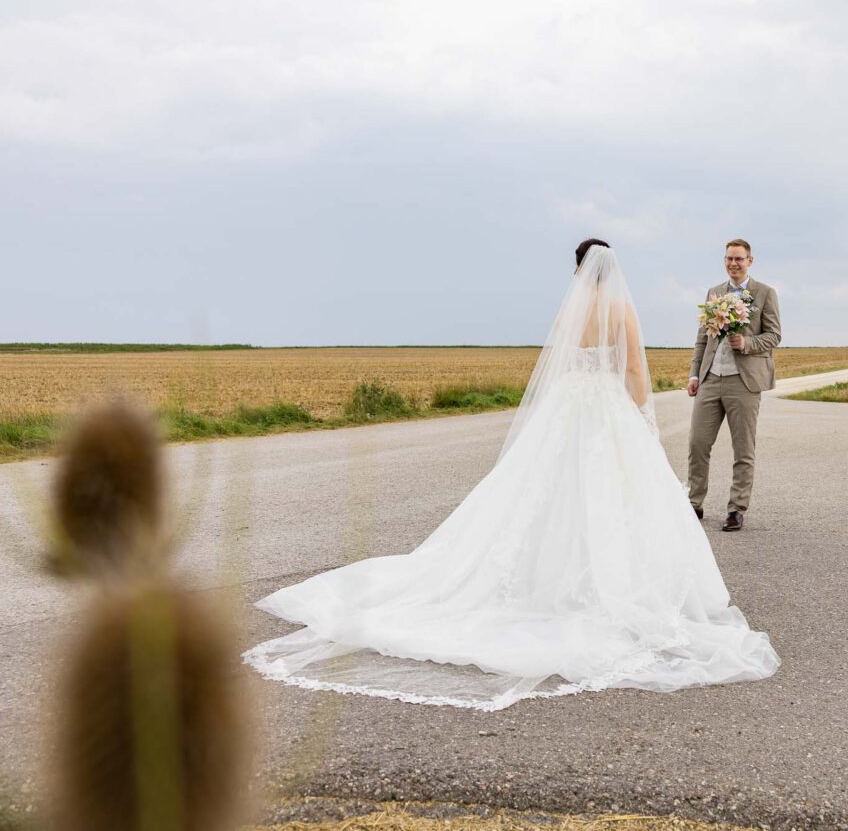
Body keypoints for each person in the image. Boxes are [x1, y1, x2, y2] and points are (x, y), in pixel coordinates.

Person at [243, 240, 779, 711]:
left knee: (543, 492)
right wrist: (638, 413)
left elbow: (558, 366)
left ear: (577, 272)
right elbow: (635, 369)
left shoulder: (572, 311)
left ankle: (532, 581)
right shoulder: (621, 309)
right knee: (613, 498)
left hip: (569, 406)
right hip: (606, 409)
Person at [687, 239, 783, 532]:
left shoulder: (765, 293)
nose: (733, 264)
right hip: (710, 379)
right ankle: (694, 502)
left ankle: (736, 508)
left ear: (750, 261)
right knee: (698, 443)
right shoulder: (714, 293)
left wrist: (747, 342)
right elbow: (702, 338)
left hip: (744, 382)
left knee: (743, 448)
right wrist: (694, 375)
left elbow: (774, 335)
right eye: (729, 258)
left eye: (739, 259)